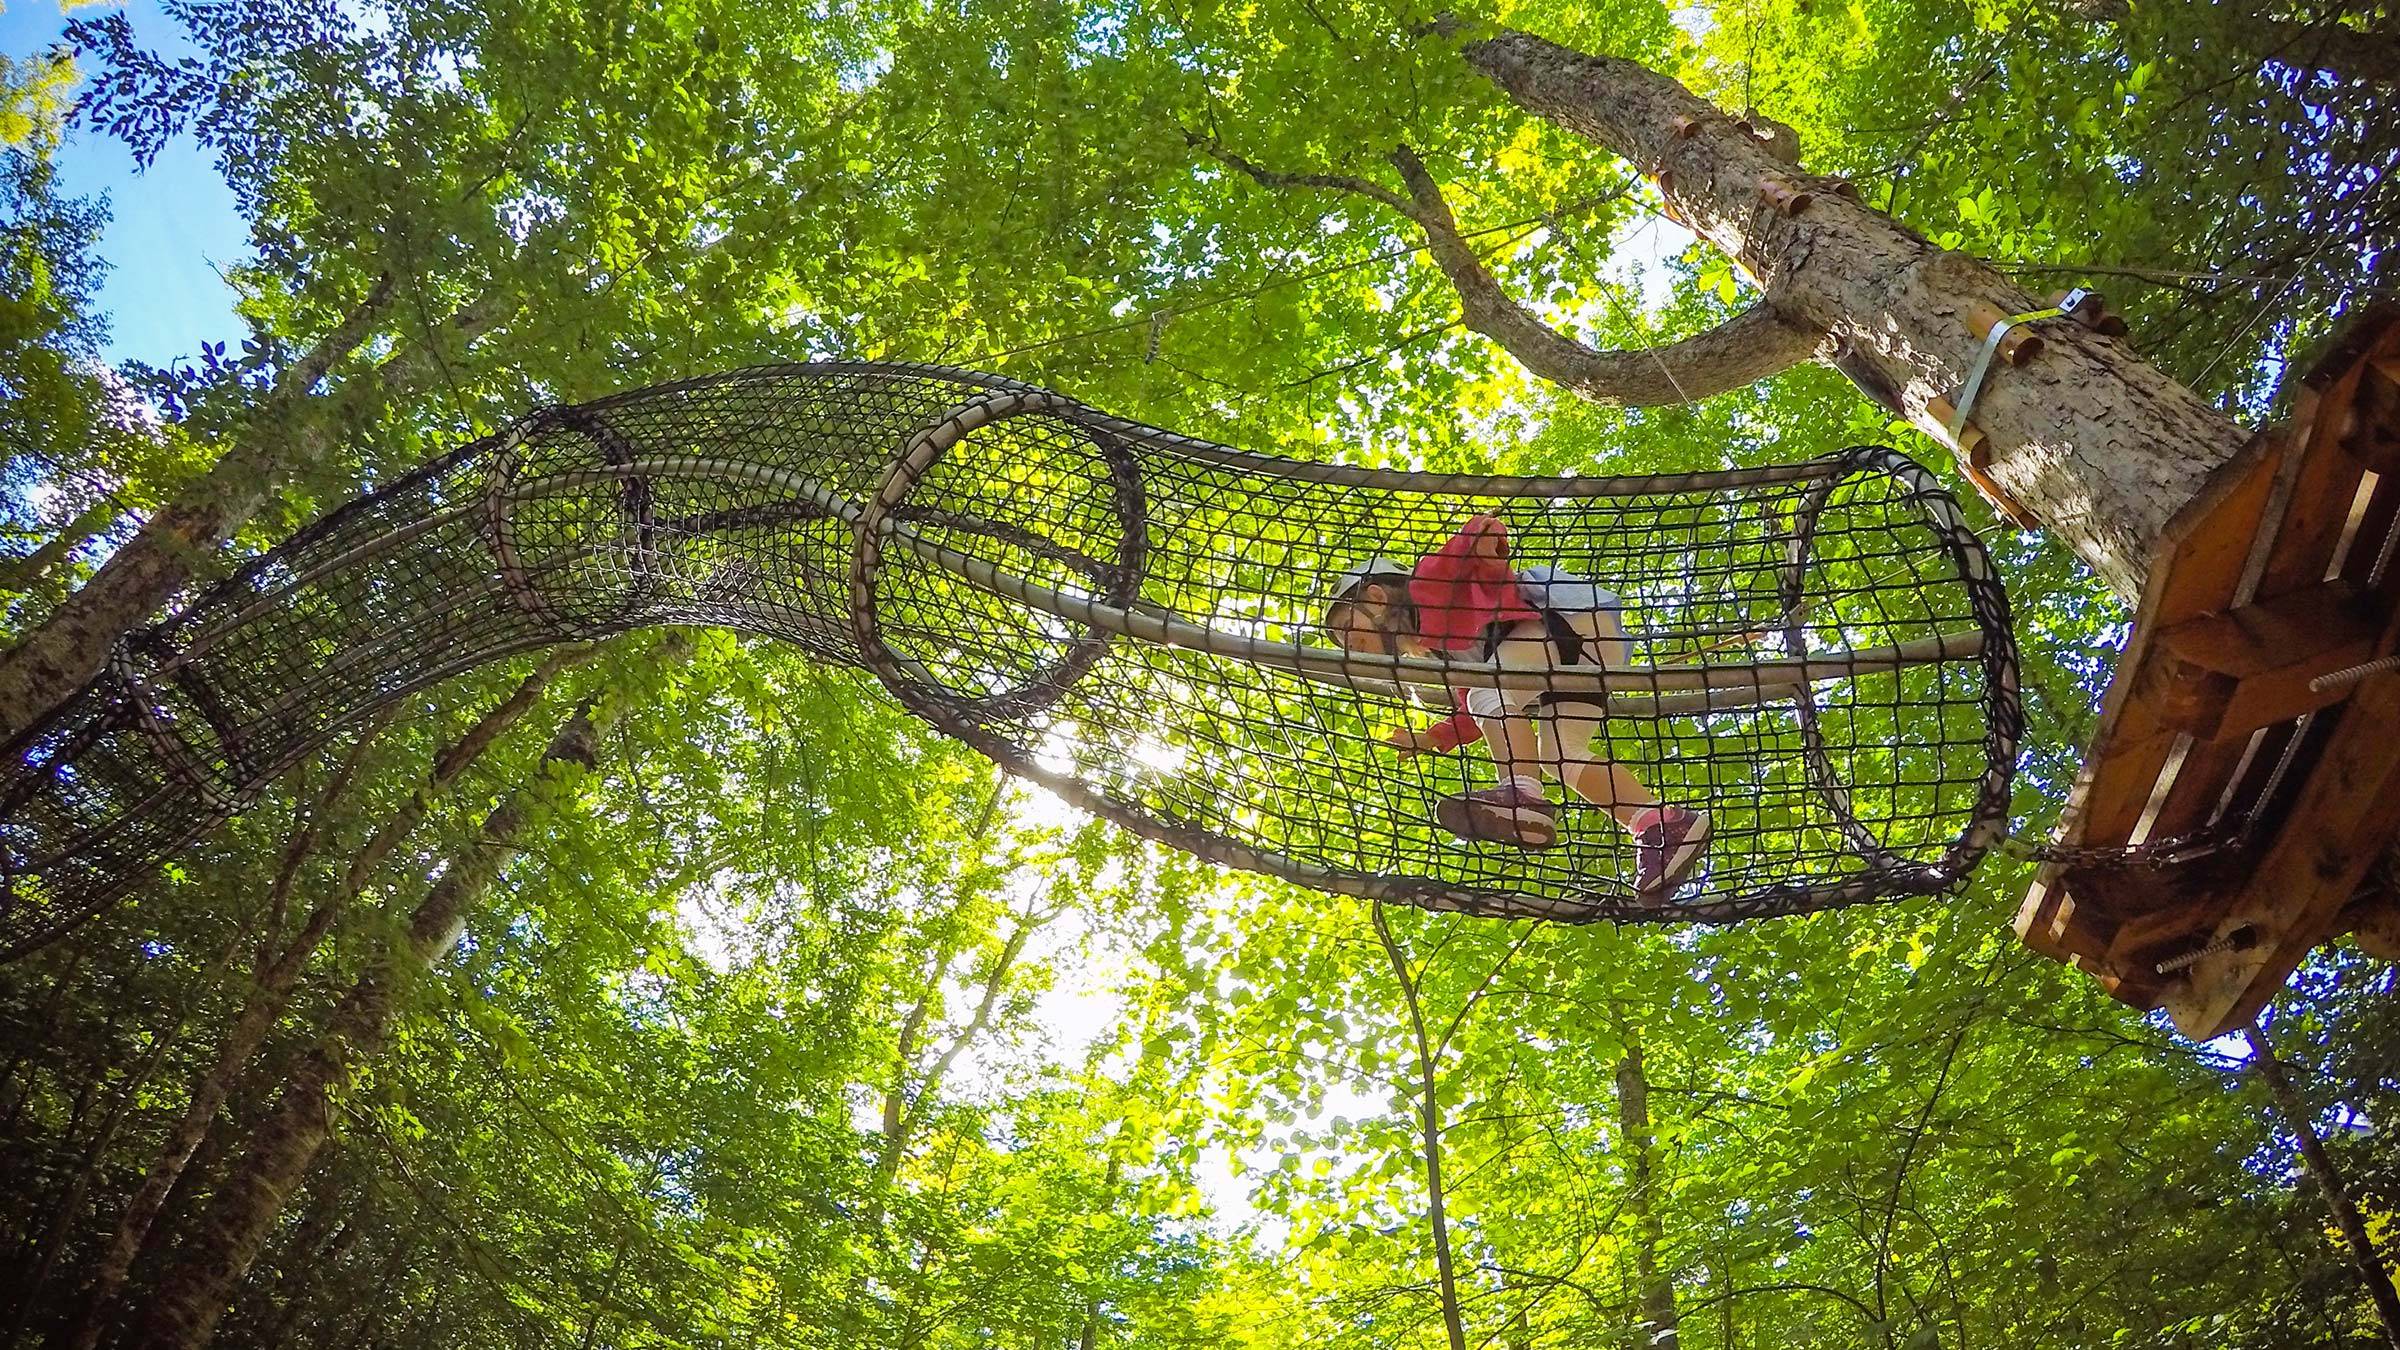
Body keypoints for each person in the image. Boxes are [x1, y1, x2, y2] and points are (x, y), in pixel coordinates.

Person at [1319, 514, 1710, 896]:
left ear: (1376, 597)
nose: (1346, 643)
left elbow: (1472, 540)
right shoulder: (1448, 659)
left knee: (1488, 690)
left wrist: (1486, 537)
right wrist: (1429, 738)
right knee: (1559, 755)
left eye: (1345, 629)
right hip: (1586, 659)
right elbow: (1472, 717)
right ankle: (1660, 825)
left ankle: (1522, 793)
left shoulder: (1430, 586)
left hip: (1567, 622)